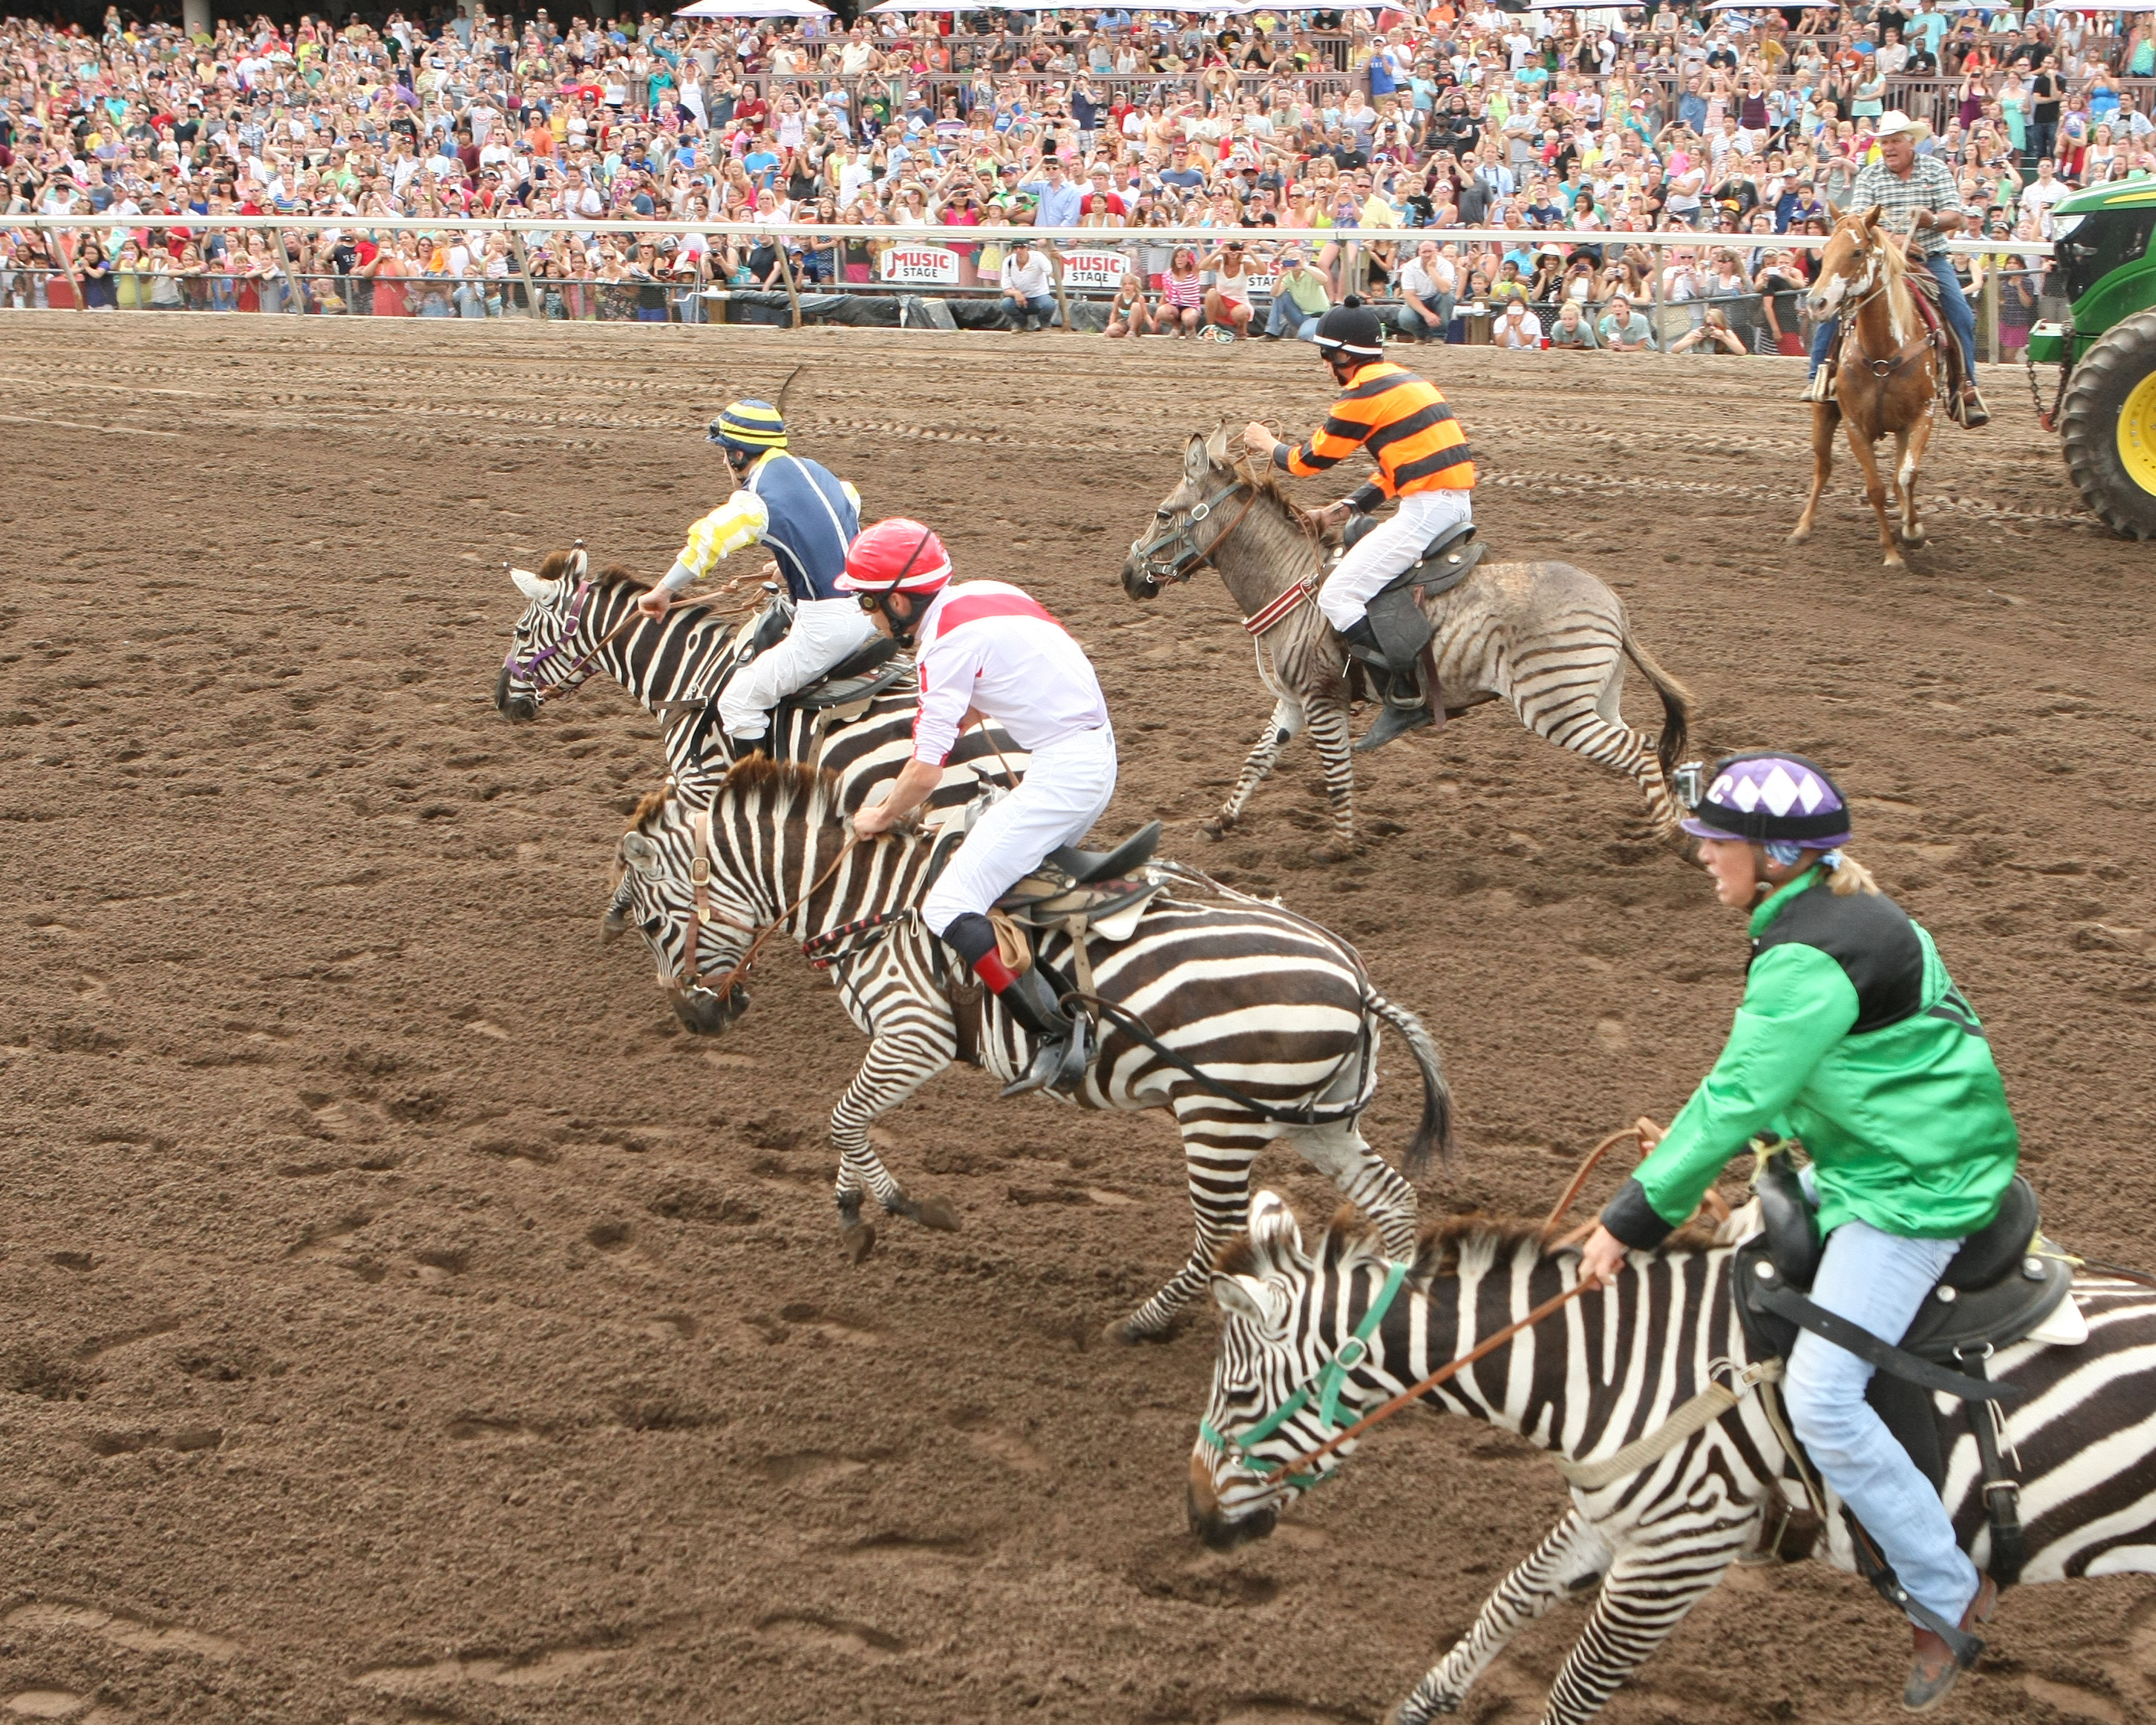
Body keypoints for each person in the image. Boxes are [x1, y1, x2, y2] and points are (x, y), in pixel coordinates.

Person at [1577, 752, 2019, 1714]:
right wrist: (1780, 1149)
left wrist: (1630, 1218)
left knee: (1824, 1399)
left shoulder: (1806, 956)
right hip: (1886, 1151)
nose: (1702, 857)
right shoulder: (1835, 918)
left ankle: (1947, 1592)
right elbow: (1861, 1070)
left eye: (1718, 843)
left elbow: (1735, 1096)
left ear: (1774, 857)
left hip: (1914, 1190)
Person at [840, 519, 1115, 1098]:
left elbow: (927, 771)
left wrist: (881, 815)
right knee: (999, 875)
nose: (869, 617)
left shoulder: (943, 645)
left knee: (947, 905)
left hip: (1065, 774)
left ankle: (1055, 1034)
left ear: (897, 599)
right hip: (1087, 755)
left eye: (869, 603)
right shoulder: (991, 592)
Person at [1240, 299, 1476, 753]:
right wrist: (1344, 509)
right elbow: (1397, 468)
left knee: (1338, 595)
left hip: (1426, 512)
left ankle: (1404, 695)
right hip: (1450, 504)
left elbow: (1309, 461)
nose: (1327, 368)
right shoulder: (1407, 380)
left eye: (1327, 357)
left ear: (1343, 357)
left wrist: (1268, 445)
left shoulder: (1361, 396)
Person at [635, 400, 873, 754]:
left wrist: (662, 592)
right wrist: (789, 565)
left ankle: (760, 798)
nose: (724, 463)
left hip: (829, 626)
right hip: (871, 612)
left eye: (725, 454)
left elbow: (708, 541)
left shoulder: (756, 500)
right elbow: (837, 526)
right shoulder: (824, 476)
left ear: (737, 456)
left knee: (737, 702)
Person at [1804, 113, 1990, 428]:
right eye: (1885, 143)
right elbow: (1858, 224)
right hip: (1879, 262)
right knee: (1834, 301)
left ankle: (1964, 389)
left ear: (1911, 143)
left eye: (1894, 142)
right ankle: (1819, 375)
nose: (1889, 149)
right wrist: (1894, 239)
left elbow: (1954, 216)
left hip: (1929, 260)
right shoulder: (1870, 176)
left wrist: (1929, 219)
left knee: (1960, 314)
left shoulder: (1935, 169)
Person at [1264, 248, 1331, 342]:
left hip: (1317, 316)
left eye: (1296, 261)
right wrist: (1280, 277)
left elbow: (1324, 280)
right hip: (1300, 315)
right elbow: (1275, 294)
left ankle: (1314, 332)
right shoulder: (1288, 275)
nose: (1294, 264)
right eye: (1290, 261)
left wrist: (1304, 268)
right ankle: (1272, 333)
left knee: (1305, 335)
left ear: (1304, 260)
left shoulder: (1311, 271)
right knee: (1282, 296)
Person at [1000, 237, 1057, 332]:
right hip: (1019, 300)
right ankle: (1021, 323)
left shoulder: (1039, 257)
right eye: (1016, 248)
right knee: (1006, 305)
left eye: (1022, 248)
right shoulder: (1008, 261)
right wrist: (1016, 294)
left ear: (1028, 249)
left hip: (1039, 297)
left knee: (1049, 304)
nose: (1019, 251)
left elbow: (1055, 275)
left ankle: (1045, 324)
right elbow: (1006, 289)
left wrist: (1059, 260)